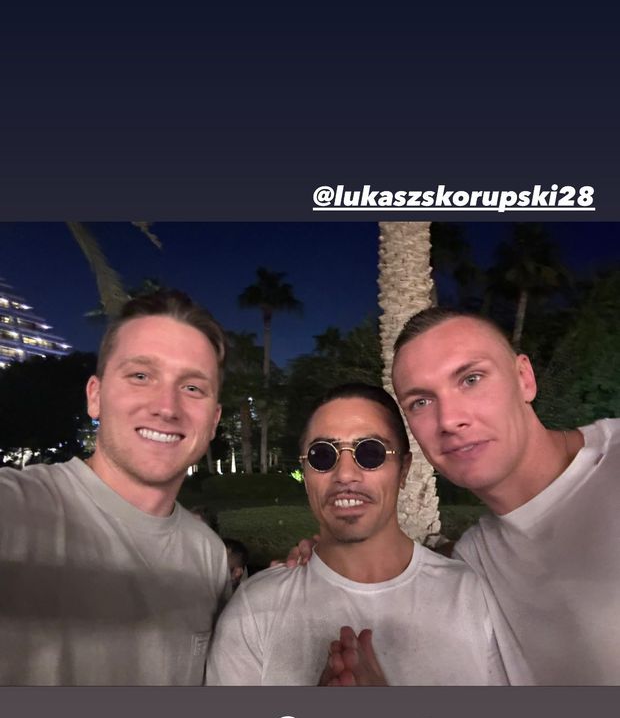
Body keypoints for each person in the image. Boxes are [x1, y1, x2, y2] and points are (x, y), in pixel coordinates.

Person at [0, 289, 230, 685]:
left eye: (193, 388)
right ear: (95, 396)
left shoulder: (209, 556)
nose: (166, 407)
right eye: (141, 376)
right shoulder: (17, 512)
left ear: (213, 421)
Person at [207, 383, 506, 686]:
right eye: (322, 456)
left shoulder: (473, 597)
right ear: (306, 474)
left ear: (403, 470)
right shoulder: (255, 608)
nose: (345, 475)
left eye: (371, 453)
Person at [390, 307, 620, 685]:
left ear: (524, 379)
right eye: (421, 402)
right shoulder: (474, 563)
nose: (449, 420)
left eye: (471, 379)